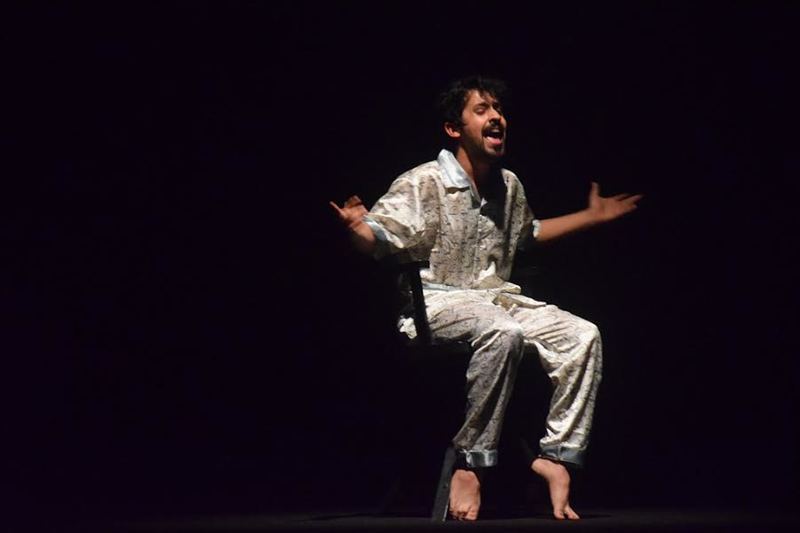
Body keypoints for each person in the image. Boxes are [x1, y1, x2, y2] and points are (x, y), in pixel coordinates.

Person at [330, 76, 642, 521]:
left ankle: (556, 457)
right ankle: (470, 463)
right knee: (502, 331)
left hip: (495, 300)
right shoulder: (424, 181)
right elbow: (378, 237)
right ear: (453, 128)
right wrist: (356, 229)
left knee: (582, 335)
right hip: (435, 307)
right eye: (482, 110)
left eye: (499, 109)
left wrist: (590, 217)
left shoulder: (508, 185)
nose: (496, 117)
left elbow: (528, 234)